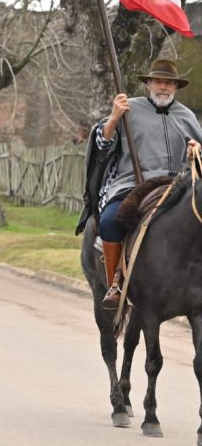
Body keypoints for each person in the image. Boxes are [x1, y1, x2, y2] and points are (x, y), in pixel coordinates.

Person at [81, 58, 202, 309]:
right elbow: (102, 144)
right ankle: (115, 282)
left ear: (176, 87)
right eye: (158, 81)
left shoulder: (187, 116)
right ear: (148, 84)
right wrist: (114, 117)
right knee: (109, 221)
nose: (163, 87)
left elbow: (200, 157)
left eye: (169, 83)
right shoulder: (129, 109)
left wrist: (196, 151)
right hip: (133, 184)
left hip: (177, 185)